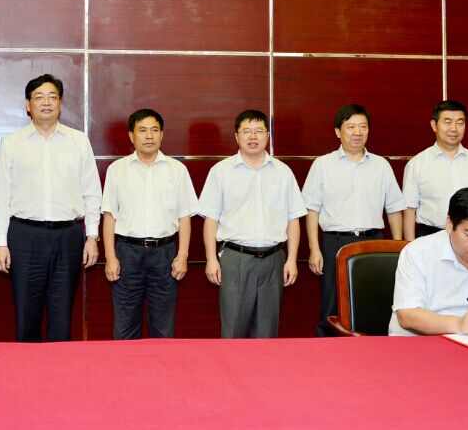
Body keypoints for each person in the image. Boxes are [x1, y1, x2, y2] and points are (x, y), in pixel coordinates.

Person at [0, 74, 101, 342]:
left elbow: (92, 193)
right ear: (28, 105)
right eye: (39, 97)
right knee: (26, 314)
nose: (46, 102)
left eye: (52, 97)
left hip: (68, 236)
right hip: (24, 236)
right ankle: (26, 366)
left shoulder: (78, 141)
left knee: (62, 314)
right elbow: (1, 196)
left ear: (60, 103)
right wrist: (0, 243)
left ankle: (60, 367)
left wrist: (92, 236)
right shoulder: (12, 142)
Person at [198, 109, 306, 339]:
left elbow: (293, 219)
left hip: (273, 260)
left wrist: (292, 259)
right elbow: (210, 219)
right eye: (247, 131)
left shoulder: (283, 172)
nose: (253, 136)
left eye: (259, 131)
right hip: (235, 259)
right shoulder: (221, 172)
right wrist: (210, 259)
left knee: (267, 333)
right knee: (233, 330)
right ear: (236, 136)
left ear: (268, 135)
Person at [303, 103, 405, 336]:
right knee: (331, 305)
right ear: (338, 132)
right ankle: (327, 352)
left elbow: (394, 209)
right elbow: (312, 210)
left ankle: (374, 351)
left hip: (373, 242)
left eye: (363, 127)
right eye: (351, 127)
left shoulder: (381, 165)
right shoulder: (323, 165)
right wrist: (314, 249)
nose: (357, 132)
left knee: (375, 302)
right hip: (335, 242)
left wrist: (396, 247)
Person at [102, 108, 198, 339]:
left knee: (163, 328)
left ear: (162, 135)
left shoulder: (177, 170)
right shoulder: (117, 170)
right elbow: (109, 217)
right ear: (131, 135)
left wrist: (182, 256)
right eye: (142, 130)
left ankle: (162, 364)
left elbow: (184, 217)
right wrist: (111, 257)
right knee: (125, 328)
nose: (149, 136)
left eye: (154, 130)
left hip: (164, 254)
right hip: (127, 254)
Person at [389, 187, 468, 336]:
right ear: (450, 225)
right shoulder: (418, 253)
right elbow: (407, 316)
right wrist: (459, 324)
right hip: (417, 343)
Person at [402, 100, 468, 241]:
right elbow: (409, 211)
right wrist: (410, 247)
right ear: (434, 125)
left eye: (460, 123)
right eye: (447, 122)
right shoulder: (417, 164)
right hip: (430, 237)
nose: (454, 128)